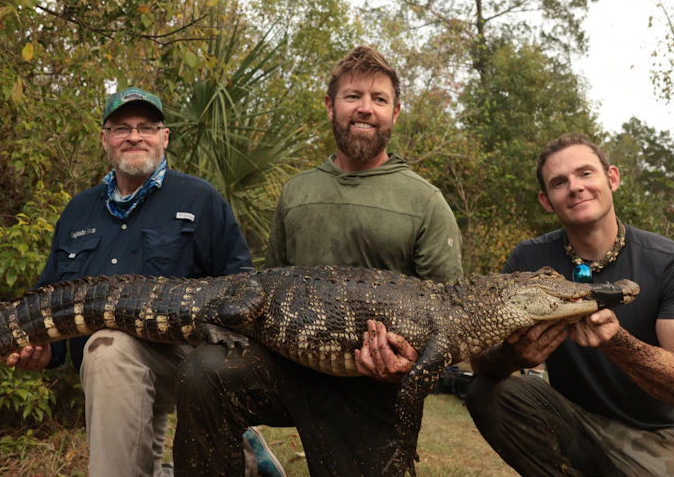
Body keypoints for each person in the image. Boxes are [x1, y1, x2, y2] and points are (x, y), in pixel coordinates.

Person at [173, 45, 463, 476]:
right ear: (331, 105)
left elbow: (450, 320)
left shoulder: (427, 201)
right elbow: (268, 287)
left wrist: (405, 365)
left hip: (370, 387)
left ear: (395, 112)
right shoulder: (297, 191)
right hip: (287, 369)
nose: (365, 108)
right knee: (202, 372)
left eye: (379, 99)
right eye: (352, 96)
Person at [5, 87, 253, 477]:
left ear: (164, 137)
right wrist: (43, 350)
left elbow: (243, 288)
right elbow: (49, 300)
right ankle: (240, 457)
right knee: (110, 357)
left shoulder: (200, 199)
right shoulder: (77, 211)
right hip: (108, 377)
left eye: (146, 127)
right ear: (105, 138)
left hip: (187, 358)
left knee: (111, 348)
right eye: (121, 127)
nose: (134, 136)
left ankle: (239, 444)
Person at [466, 132, 674, 477]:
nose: (575, 187)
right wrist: (512, 355)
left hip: (650, 435)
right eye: (559, 182)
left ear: (612, 178)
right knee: (487, 392)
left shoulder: (672, 262)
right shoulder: (528, 260)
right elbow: (480, 358)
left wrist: (619, 344)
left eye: (585, 173)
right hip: (567, 418)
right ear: (546, 201)